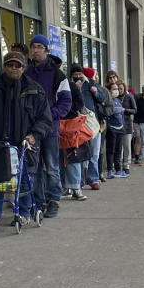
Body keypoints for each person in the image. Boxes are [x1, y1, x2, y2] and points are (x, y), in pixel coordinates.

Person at [0, 48, 52, 226]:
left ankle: (23, 212)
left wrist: (34, 134)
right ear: (4, 66)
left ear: (24, 68)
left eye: (18, 65)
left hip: (24, 143)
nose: (13, 68)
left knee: (23, 178)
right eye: (10, 65)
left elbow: (45, 119)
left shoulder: (35, 91)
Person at [24, 34, 71, 218]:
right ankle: (38, 202)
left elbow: (66, 102)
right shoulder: (26, 72)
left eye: (39, 47)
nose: (35, 50)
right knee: (34, 168)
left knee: (52, 167)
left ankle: (54, 200)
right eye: (33, 47)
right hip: (31, 130)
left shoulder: (57, 74)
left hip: (50, 129)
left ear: (46, 50)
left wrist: (49, 116)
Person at [60, 69, 89, 200]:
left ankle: (74, 187)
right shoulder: (68, 85)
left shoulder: (68, 86)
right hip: (65, 124)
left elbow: (80, 103)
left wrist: (67, 110)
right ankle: (71, 187)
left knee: (72, 157)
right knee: (68, 158)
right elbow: (80, 103)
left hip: (69, 124)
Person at [78, 66, 106, 190]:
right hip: (82, 122)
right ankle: (84, 179)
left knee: (94, 153)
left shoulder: (93, 85)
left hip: (94, 123)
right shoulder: (77, 85)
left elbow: (102, 98)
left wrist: (95, 91)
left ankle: (93, 179)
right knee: (85, 152)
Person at [104, 82, 126, 178]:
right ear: (109, 91)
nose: (116, 91)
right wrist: (119, 110)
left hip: (120, 128)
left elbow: (121, 114)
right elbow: (109, 112)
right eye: (114, 89)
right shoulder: (106, 100)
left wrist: (123, 126)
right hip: (111, 128)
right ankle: (110, 170)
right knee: (111, 150)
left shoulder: (118, 100)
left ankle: (118, 169)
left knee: (118, 150)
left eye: (117, 89)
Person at [117, 79, 137, 174]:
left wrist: (125, 110)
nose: (120, 90)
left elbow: (134, 110)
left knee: (127, 146)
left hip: (127, 125)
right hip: (117, 125)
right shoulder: (115, 97)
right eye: (118, 89)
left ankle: (126, 165)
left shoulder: (129, 97)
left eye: (121, 88)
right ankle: (118, 165)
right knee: (118, 147)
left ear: (124, 88)